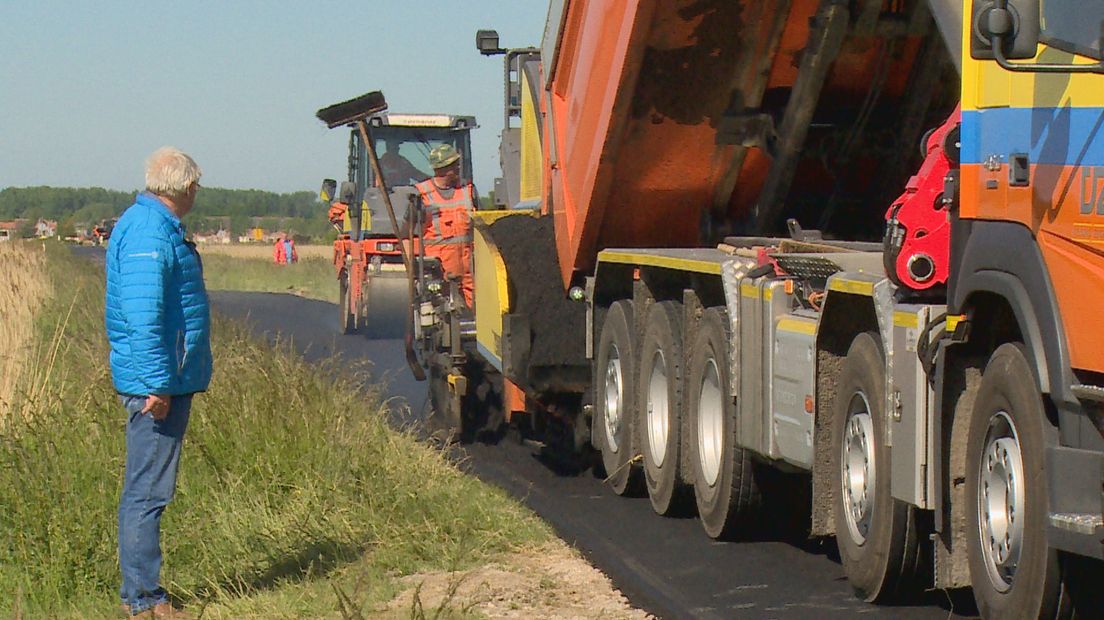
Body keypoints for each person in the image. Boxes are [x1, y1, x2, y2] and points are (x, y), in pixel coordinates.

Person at [105, 146, 212, 619]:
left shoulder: (151, 225)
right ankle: (144, 601)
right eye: (197, 185)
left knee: (149, 490)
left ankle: (144, 596)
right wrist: (157, 384)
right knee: (148, 493)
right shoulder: (150, 231)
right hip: (156, 385)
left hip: (165, 377)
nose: (197, 192)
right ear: (184, 187)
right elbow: (144, 316)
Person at [408, 144, 477, 307]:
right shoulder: (421, 194)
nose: (458, 167)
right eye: (454, 164)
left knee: (476, 312)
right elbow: (410, 231)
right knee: (439, 314)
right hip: (438, 271)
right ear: (443, 168)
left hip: (469, 269)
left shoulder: (468, 190)